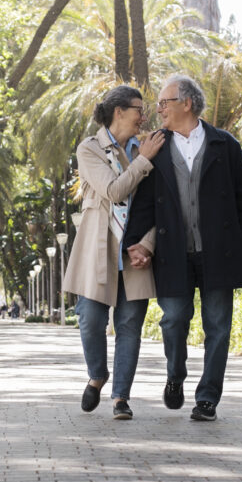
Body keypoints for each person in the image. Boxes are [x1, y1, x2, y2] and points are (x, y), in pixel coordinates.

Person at [122, 74, 242, 421]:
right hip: (172, 253)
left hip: (220, 252)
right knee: (174, 320)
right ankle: (175, 375)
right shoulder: (156, 147)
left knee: (218, 327)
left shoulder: (224, 145)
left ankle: (208, 397)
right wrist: (135, 244)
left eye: (164, 103)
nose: (159, 109)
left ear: (187, 103)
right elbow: (144, 202)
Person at [63, 85, 166, 420]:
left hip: (136, 251)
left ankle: (121, 397)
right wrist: (143, 161)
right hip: (98, 248)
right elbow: (113, 190)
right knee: (90, 320)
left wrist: (147, 244)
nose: (144, 115)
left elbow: (158, 205)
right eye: (139, 108)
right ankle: (97, 375)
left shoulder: (151, 145)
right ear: (119, 111)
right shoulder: (90, 149)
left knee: (130, 323)